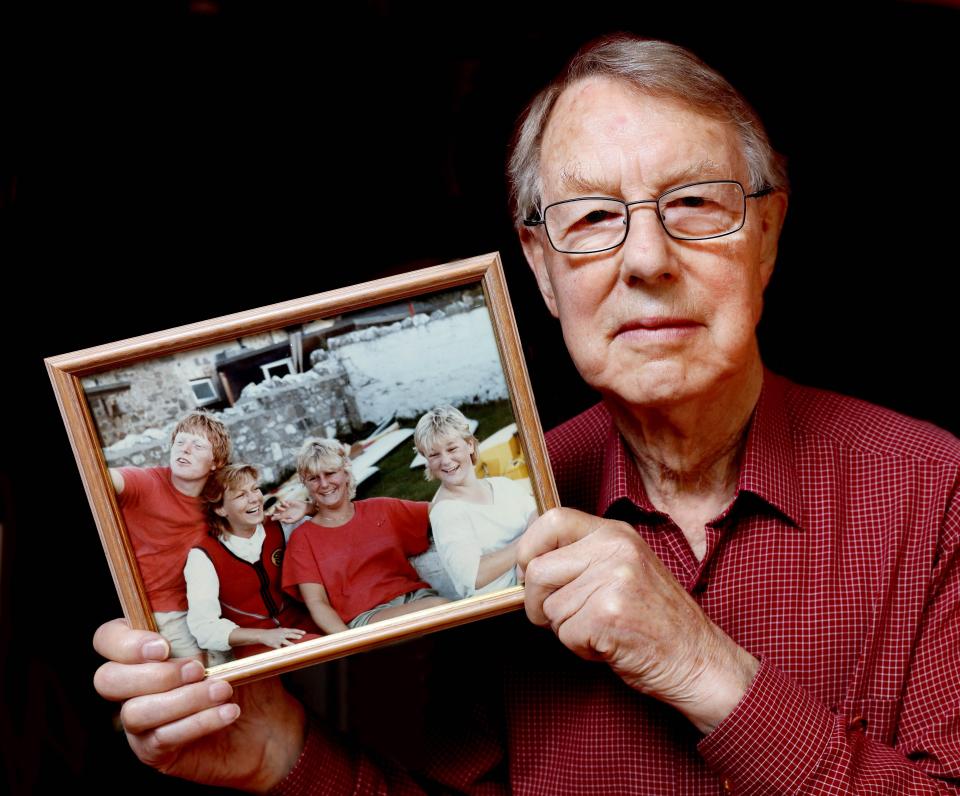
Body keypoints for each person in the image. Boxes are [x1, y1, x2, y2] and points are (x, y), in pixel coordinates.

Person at [92, 35, 960, 793]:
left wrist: (702, 668)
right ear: (542, 270)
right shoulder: (503, 521)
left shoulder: (934, 489)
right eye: (591, 219)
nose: (647, 259)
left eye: (695, 203)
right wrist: (278, 755)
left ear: (766, 234)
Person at [281, 438, 449, 633]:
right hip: (366, 619)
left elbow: (442, 512)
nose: (324, 484)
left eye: (330, 473)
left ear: (345, 471)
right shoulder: (303, 539)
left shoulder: (381, 509)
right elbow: (317, 603)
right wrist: (350, 644)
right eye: (313, 478)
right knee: (443, 610)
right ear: (305, 483)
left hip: (416, 598)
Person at [109, 410, 232, 658]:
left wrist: (308, 507)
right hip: (150, 610)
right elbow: (103, 478)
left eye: (197, 445)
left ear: (216, 462)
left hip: (198, 608)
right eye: (180, 442)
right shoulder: (146, 483)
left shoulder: (217, 501)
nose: (184, 449)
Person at [184, 464, 320, 663]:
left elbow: (338, 524)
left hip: (306, 626)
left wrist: (309, 507)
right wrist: (262, 636)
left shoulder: (282, 525)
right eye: (240, 495)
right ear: (220, 508)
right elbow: (204, 628)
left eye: (255, 489)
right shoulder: (203, 557)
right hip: (260, 650)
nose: (254, 498)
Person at [414, 405, 537, 598]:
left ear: (470, 444)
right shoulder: (446, 512)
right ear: (427, 460)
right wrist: (530, 542)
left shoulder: (503, 485)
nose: (445, 461)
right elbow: (475, 576)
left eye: (452, 448)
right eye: (434, 454)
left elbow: (537, 514)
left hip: (535, 576)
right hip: (505, 601)